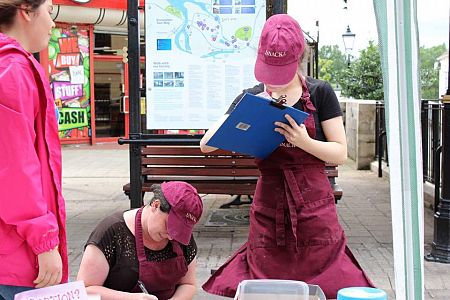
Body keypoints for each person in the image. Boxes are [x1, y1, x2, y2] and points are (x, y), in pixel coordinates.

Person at [200, 14, 374, 299]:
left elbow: (340, 152)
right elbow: (206, 145)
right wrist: (246, 114)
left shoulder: (320, 92)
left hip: (314, 204)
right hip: (269, 204)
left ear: (298, 59)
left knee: (327, 282)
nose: (275, 83)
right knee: (267, 285)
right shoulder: (252, 95)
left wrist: (303, 141)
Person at [0, 1, 68, 299]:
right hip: (14, 255)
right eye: (50, 12)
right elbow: (14, 168)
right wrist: (45, 243)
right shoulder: (12, 70)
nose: (53, 23)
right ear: (26, 11)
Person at [77, 181, 203, 300]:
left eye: (179, 231)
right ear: (156, 205)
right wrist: (133, 298)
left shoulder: (180, 236)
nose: (171, 236)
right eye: (170, 227)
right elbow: (85, 290)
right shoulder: (112, 232)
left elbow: (188, 284)